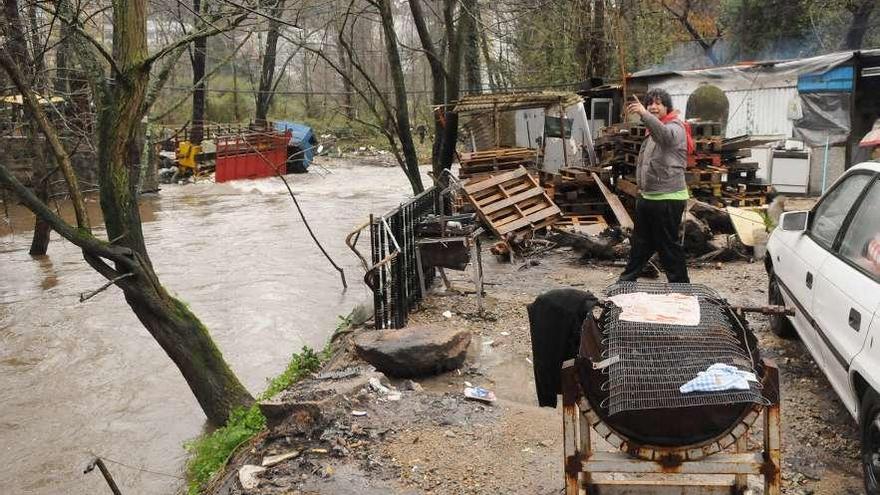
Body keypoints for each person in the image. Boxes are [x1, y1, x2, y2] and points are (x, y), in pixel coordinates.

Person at [619, 88, 694, 284]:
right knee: (640, 244)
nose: (653, 106)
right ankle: (625, 282)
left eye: (658, 103)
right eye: (650, 103)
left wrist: (643, 114)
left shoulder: (675, 127)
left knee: (668, 247)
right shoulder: (653, 129)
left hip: (668, 198)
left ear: (667, 107)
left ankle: (681, 287)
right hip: (649, 197)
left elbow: (665, 137)